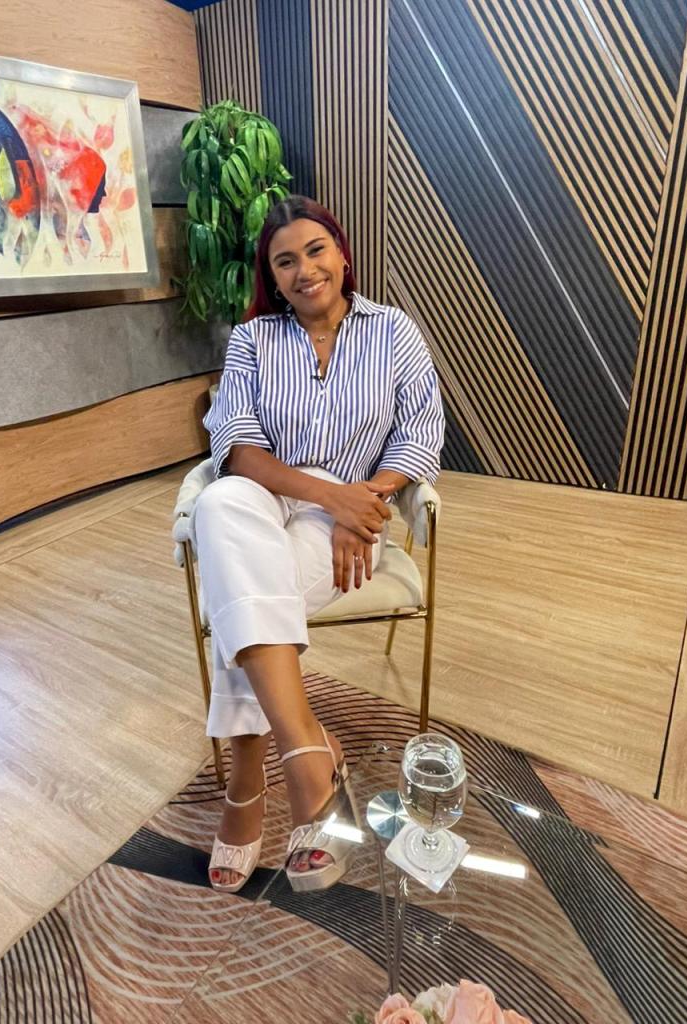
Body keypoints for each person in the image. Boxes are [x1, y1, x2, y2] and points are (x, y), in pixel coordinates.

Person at [191, 195, 445, 893]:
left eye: (315, 250)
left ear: (342, 253)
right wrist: (327, 495)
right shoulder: (253, 340)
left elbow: (420, 436)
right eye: (285, 261)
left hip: (347, 522)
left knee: (240, 597)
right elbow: (237, 449)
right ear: (271, 278)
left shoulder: (394, 331)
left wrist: (360, 499)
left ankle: (247, 784)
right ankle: (307, 750)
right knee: (221, 502)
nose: (304, 270)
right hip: (267, 493)